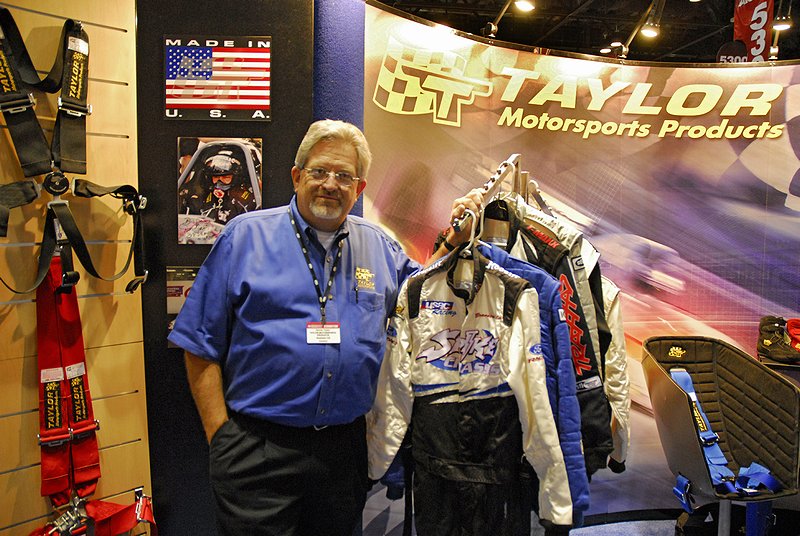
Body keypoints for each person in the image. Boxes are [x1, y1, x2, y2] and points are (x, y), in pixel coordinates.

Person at [167, 119, 483, 536]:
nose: (330, 184)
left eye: (344, 176)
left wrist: (455, 238)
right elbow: (198, 344)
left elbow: (422, 293)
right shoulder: (245, 237)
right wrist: (221, 439)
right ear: (297, 176)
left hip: (343, 454)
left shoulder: (380, 247)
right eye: (319, 171)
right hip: (258, 452)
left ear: (359, 188)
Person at [178, 151, 258, 225]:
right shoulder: (201, 197)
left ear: (235, 177)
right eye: (216, 177)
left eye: (225, 177)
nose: (220, 181)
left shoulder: (246, 201)